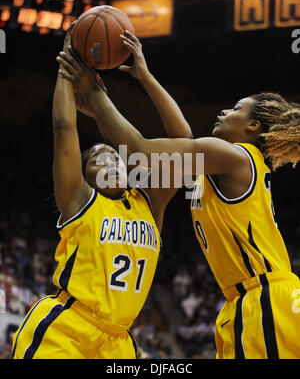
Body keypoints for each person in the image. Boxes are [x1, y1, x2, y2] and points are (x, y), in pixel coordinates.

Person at [58, 29, 300, 359]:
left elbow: (141, 152)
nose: (223, 112)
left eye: (235, 109)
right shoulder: (222, 165)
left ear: (253, 127)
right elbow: (181, 134)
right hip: (248, 299)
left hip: (266, 297)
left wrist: (95, 95)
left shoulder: (234, 156)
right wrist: (144, 76)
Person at [10, 26, 192, 359]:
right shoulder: (80, 201)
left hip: (120, 343)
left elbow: (184, 142)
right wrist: (67, 68)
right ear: (84, 176)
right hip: (68, 330)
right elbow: (64, 128)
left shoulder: (148, 202)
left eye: (114, 156)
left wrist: (146, 77)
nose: (110, 160)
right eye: (97, 158)